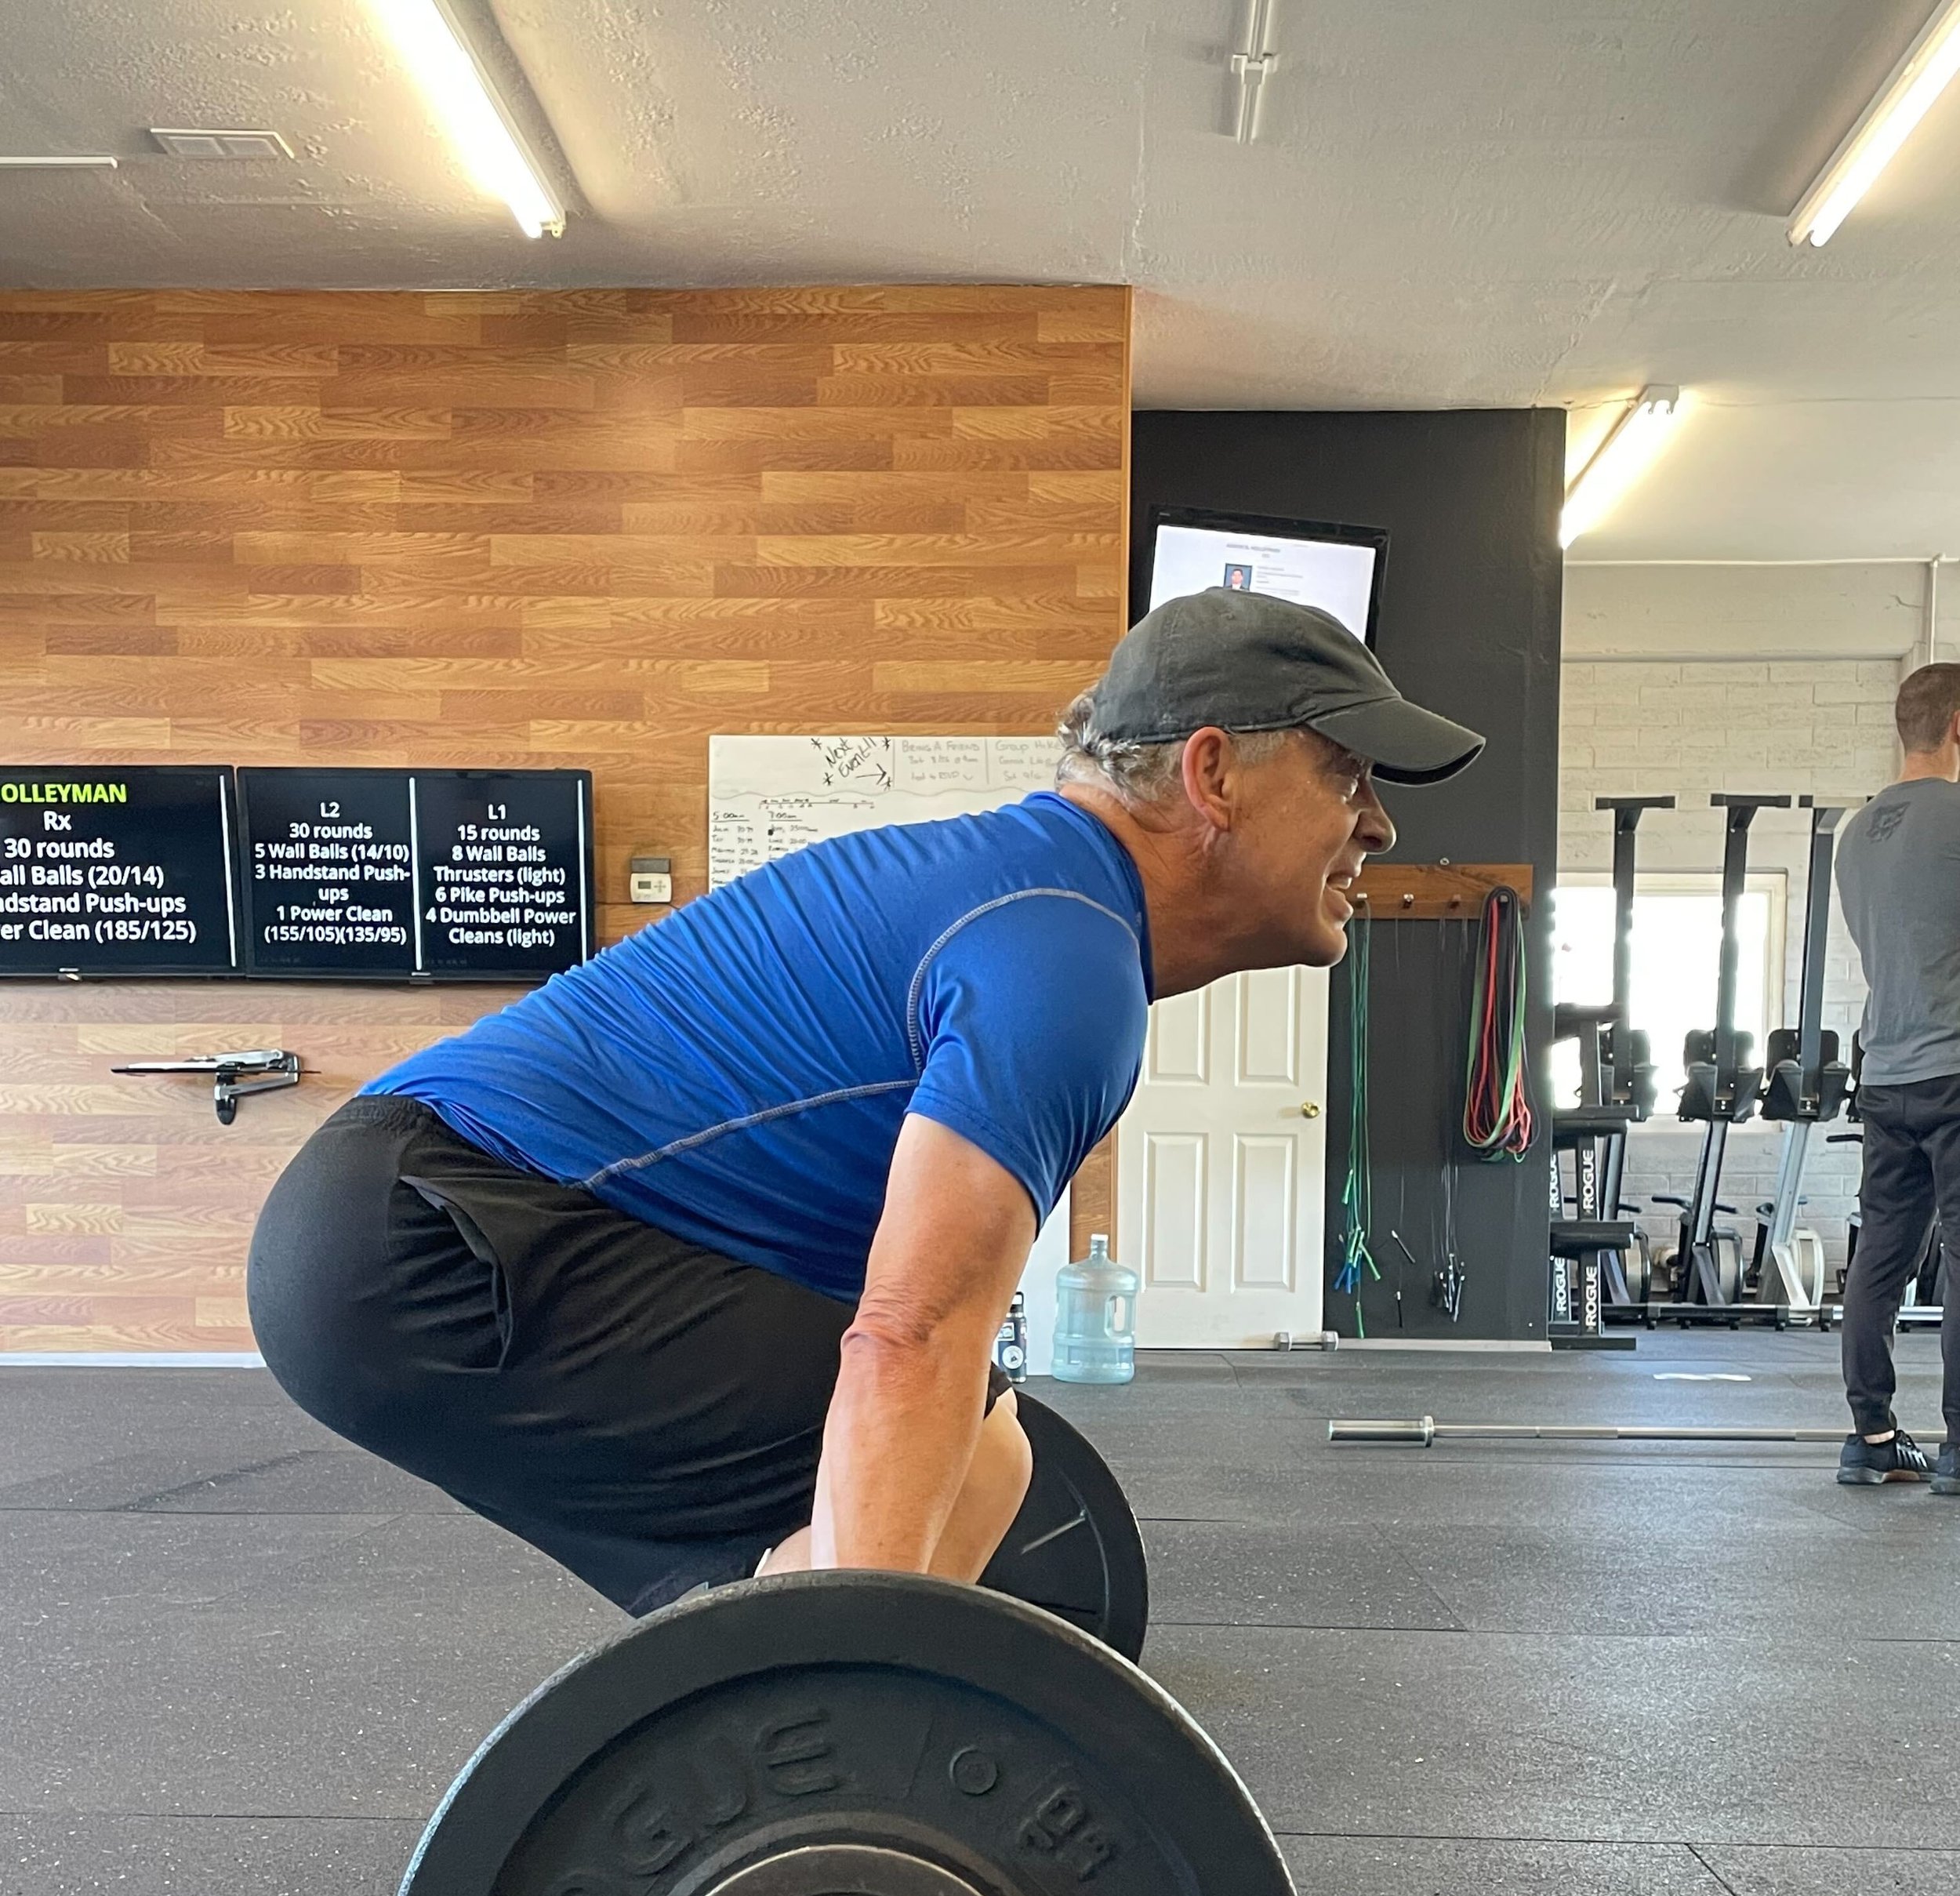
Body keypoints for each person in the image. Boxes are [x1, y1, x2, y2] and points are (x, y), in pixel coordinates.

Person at [247, 590, 1483, 1611]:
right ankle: (803, 1783)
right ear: (1213, 772)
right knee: (964, 1447)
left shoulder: (1040, 897)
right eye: (1346, 771)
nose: (1376, 820)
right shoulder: (1064, 955)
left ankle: (765, 1735)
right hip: (432, 1237)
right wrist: (871, 1681)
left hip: (403, 1218)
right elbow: (911, 1337)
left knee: (958, 1465)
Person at [1834, 660, 1960, 1490]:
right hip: (1954, 1066)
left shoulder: (1855, 833)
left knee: (1880, 1253)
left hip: (1885, 1071)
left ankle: (1871, 1438)